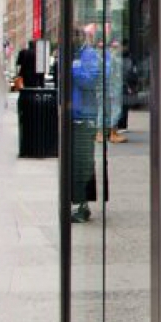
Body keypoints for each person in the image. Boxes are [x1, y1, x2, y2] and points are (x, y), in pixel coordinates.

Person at [68, 27, 103, 223]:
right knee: (76, 163)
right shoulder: (75, 55)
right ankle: (78, 203)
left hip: (84, 116)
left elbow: (90, 80)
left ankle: (83, 205)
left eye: (74, 36)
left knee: (84, 163)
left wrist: (74, 67)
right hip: (74, 116)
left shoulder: (88, 55)